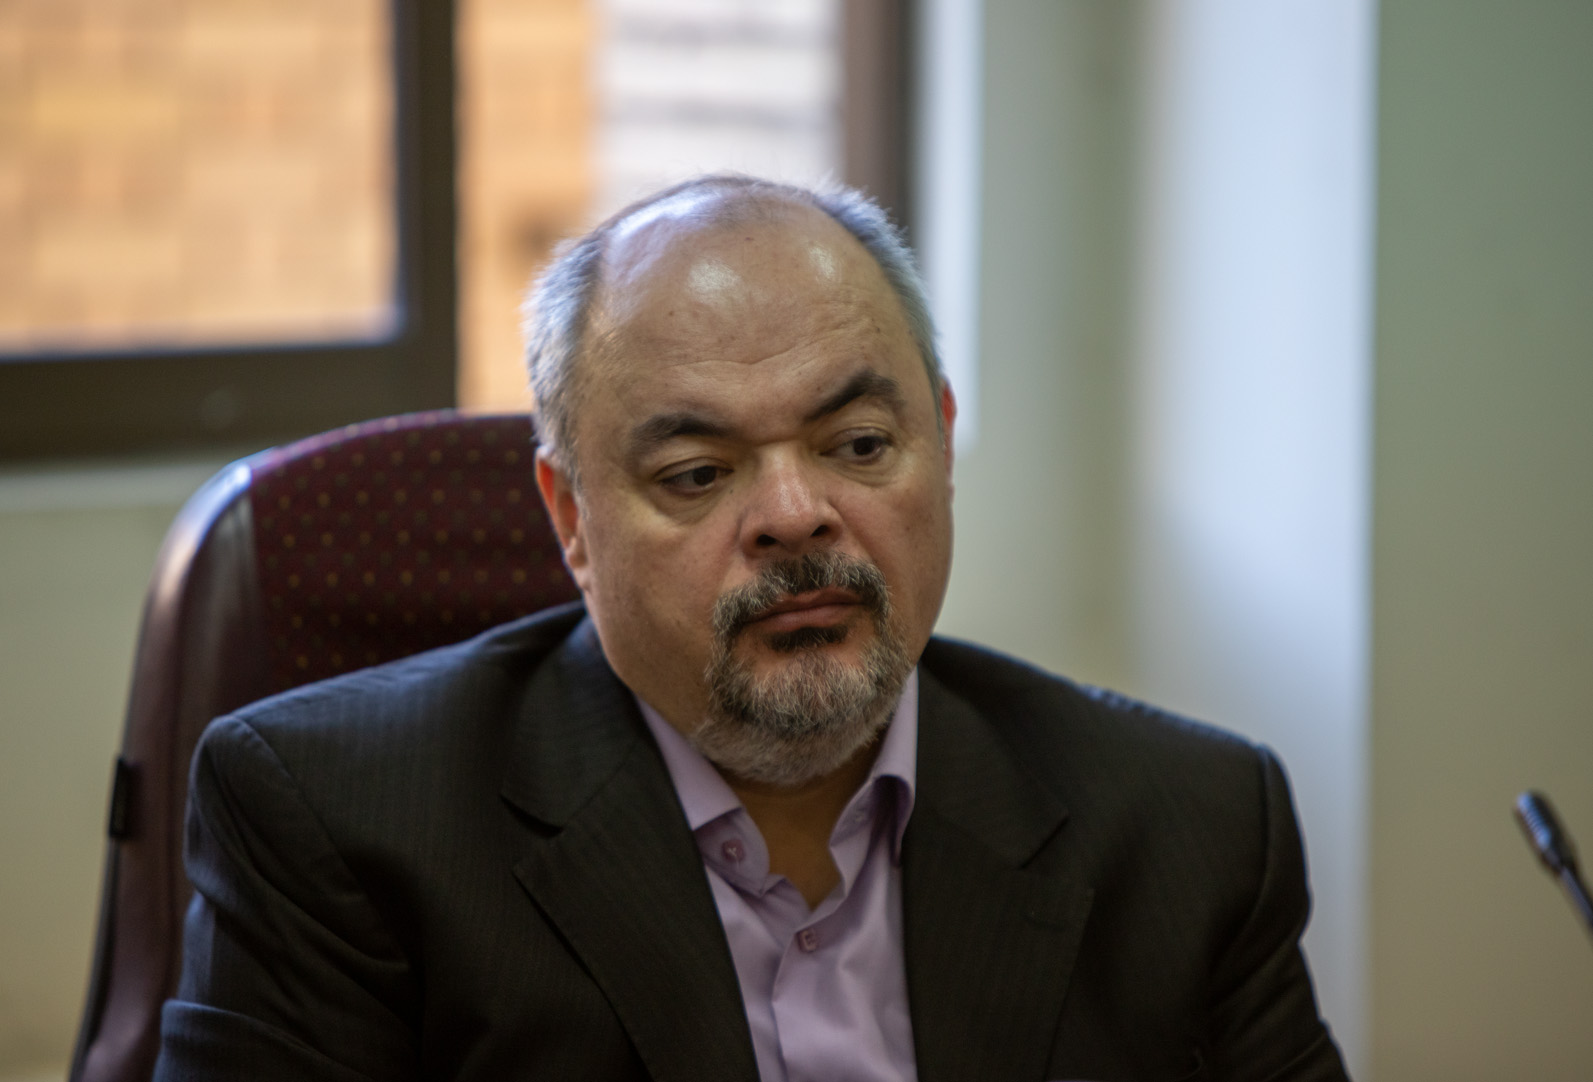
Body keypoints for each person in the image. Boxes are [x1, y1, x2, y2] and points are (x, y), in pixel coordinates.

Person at [154, 175, 1351, 1081]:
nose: (793, 514)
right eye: (696, 471)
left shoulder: (1190, 827)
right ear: (571, 519)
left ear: (940, 445)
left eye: (860, 445)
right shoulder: (337, 825)